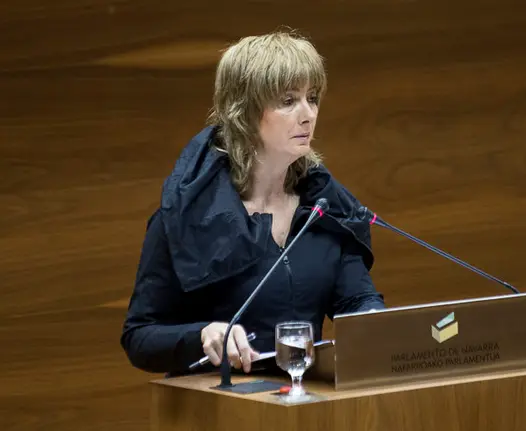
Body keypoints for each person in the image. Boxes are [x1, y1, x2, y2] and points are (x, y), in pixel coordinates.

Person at [120, 31, 385, 376]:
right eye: (288, 101)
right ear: (244, 111)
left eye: (313, 98)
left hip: (303, 406)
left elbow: (355, 301)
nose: (308, 115)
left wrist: (377, 322)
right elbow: (139, 337)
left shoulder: (324, 208)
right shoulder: (186, 215)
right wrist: (201, 335)